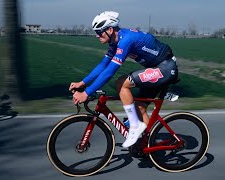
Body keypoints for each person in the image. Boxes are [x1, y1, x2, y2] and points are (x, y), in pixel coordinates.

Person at [69, 11, 178, 148]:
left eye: (99, 31)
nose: (97, 35)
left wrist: (86, 93)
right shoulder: (115, 42)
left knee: (121, 83)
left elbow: (109, 72)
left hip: (165, 68)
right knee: (139, 108)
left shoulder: (126, 40)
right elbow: (103, 65)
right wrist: (82, 83)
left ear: (110, 29)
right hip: (156, 69)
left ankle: (135, 125)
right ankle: (147, 146)